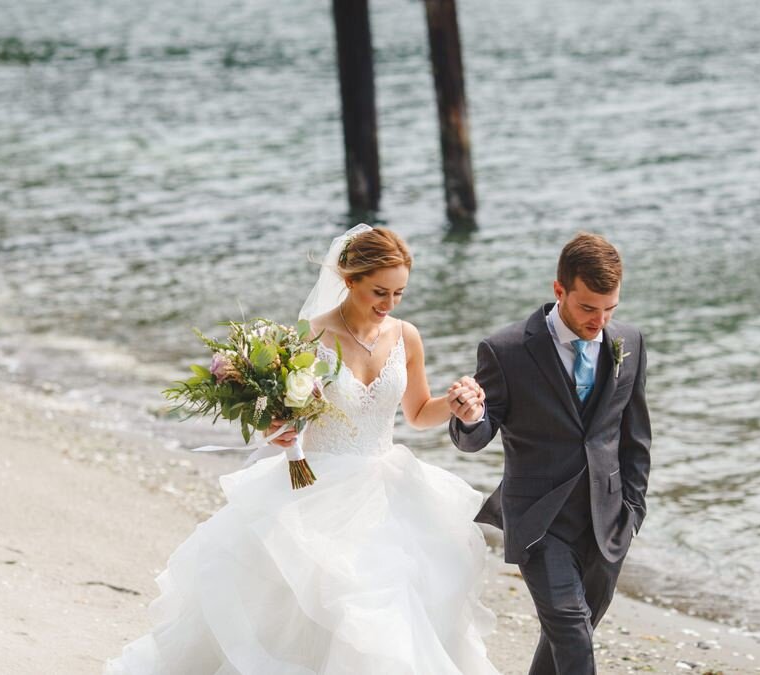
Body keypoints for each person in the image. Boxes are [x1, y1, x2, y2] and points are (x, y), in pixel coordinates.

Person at [107, 225, 500, 674]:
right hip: (316, 485)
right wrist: (277, 432)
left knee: (388, 603)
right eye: (379, 292)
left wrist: (457, 408)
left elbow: (417, 413)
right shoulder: (312, 336)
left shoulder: (406, 336)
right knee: (304, 603)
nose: (389, 304)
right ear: (349, 279)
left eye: (399, 294)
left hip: (387, 486)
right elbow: (283, 420)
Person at [447, 232, 652, 675]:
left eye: (610, 309)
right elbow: (476, 435)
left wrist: (633, 510)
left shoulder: (629, 342)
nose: (600, 321)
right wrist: (468, 416)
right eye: (588, 308)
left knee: (567, 638)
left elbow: (636, 437)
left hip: (608, 522)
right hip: (540, 521)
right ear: (559, 290)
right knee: (572, 631)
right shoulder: (505, 350)